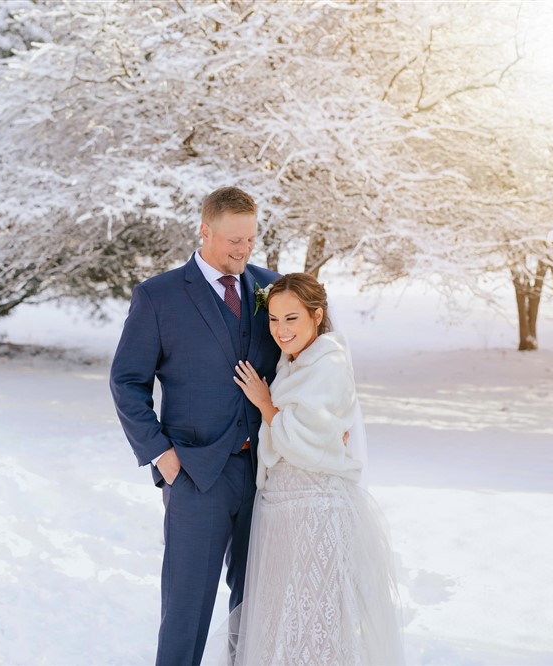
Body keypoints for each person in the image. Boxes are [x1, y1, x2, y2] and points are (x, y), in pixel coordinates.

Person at [109, 186, 282, 666]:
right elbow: (127, 381)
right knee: (187, 607)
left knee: (256, 604)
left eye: (250, 239)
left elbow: (305, 361)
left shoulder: (273, 288)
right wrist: (163, 457)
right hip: (195, 475)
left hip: (266, 472)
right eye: (233, 241)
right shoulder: (159, 296)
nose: (244, 250)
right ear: (205, 231)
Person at [230, 272, 404, 665]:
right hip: (283, 507)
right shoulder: (294, 362)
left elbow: (305, 440)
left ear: (316, 315)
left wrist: (265, 404)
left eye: (291, 318)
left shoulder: (327, 361)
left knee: (315, 614)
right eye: (273, 319)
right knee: (283, 613)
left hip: (315, 508)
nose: (280, 329)